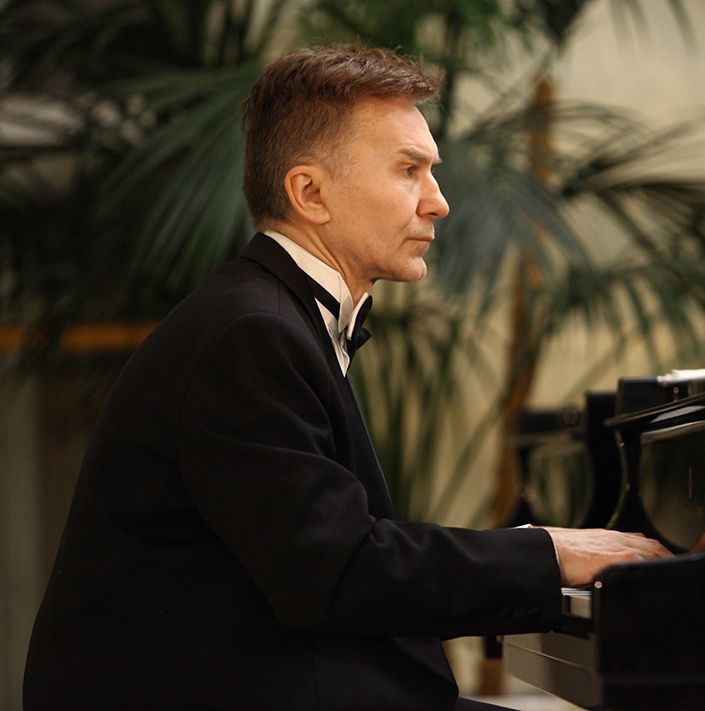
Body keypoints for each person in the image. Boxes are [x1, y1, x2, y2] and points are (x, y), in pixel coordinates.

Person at [22, 45, 671, 711]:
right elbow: (338, 571)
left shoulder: (271, 316)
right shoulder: (250, 335)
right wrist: (548, 551)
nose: (439, 202)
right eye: (409, 171)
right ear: (310, 193)